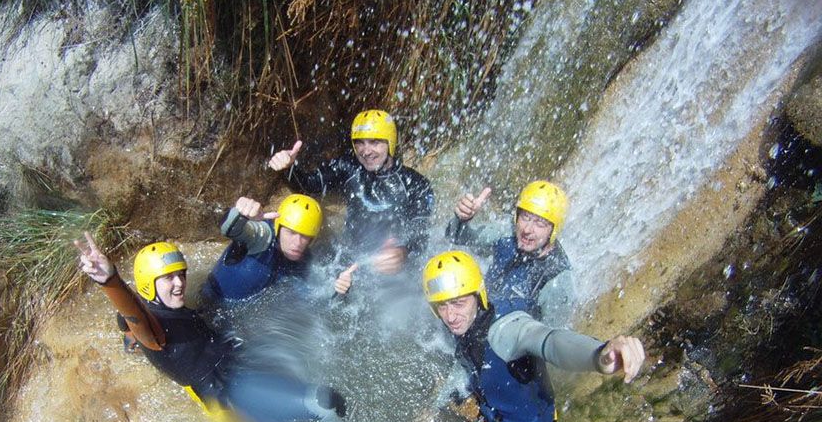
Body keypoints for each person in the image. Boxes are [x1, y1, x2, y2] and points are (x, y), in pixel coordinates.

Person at [74, 233, 346, 422]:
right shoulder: (154, 331)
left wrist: (129, 340)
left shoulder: (153, 313)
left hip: (231, 363)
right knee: (325, 403)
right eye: (168, 278)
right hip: (228, 394)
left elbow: (127, 320)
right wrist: (109, 280)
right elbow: (132, 315)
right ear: (148, 285)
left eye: (180, 274)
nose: (180, 283)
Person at [420, 250, 644, 422]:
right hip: (504, 418)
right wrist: (437, 403)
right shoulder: (469, 324)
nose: (450, 316)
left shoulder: (507, 331)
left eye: (458, 303)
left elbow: (549, 340)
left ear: (479, 296)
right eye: (442, 306)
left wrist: (599, 355)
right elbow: (466, 367)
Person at [268, 109, 434, 293]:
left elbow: (421, 236)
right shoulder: (348, 167)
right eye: (359, 143)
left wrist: (403, 253)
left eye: (375, 142)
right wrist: (289, 168)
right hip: (350, 263)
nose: (366, 151)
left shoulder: (416, 184)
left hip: (394, 273)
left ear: (390, 142)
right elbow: (308, 187)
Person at [447, 180, 574, 325]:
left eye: (540, 224)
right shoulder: (506, 233)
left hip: (508, 340)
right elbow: (457, 237)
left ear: (553, 230)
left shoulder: (557, 280)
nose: (527, 230)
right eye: (525, 217)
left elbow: (552, 340)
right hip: (478, 318)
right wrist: (462, 218)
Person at [200, 193, 323, 306]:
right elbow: (230, 228)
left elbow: (310, 295)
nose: (298, 243)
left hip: (243, 314)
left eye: (305, 236)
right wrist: (239, 215)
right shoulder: (262, 236)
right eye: (291, 232)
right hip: (212, 303)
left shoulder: (304, 257)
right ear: (278, 227)